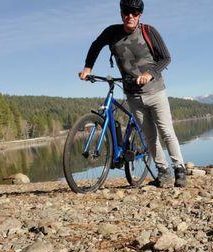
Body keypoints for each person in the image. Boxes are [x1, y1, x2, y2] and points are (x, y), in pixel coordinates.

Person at [78, 0, 187, 188]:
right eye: (126, 12)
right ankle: (164, 173)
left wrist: (149, 74)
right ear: (121, 14)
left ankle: (180, 170)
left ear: (140, 15)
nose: (130, 16)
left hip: (155, 92)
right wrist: (88, 68)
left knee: (166, 132)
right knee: (150, 137)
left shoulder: (149, 31)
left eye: (134, 13)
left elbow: (166, 58)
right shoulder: (112, 32)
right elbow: (96, 45)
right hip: (133, 96)